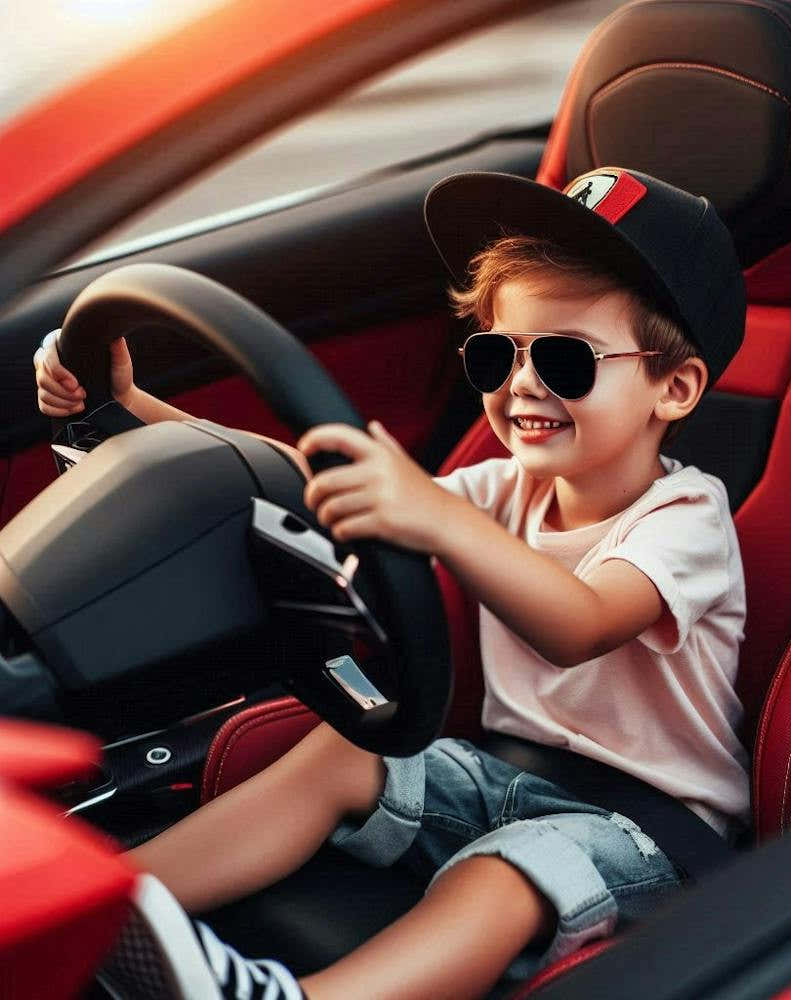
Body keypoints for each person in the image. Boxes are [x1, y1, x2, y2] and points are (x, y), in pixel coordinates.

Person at [34, 167, 750, 1000]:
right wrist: (133, 404)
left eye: (564, 357)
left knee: (512, 869)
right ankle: (95, 907)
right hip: (502, 774)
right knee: (350, 750)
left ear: (676, 387)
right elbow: (304, 478)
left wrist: (437, 518)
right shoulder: (504, 488)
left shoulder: (688, 514)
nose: (521, 382)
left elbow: (582, 622)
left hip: (650, 835)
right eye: (497, 353)